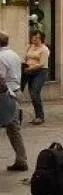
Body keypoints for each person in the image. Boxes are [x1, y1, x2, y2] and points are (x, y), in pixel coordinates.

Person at [0, 32, 27, 171]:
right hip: (15, 91)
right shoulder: (14, 54)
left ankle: (21, 160)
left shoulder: (1, 57)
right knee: (13, 129)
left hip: (5, 95)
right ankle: (21, 159)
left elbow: (1, 80)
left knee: (12, 128)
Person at [22, 30, 50, 124]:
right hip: (29, 71)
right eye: (33, 37)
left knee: (35, 92)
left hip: (40, 72)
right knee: (32, 93)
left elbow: (42, 64)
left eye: (37, 37)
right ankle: (38, 115)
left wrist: (30, 68)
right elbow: (26, 58)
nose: (34, 39)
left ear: (41, 38)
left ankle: (40, 117)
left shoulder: (44, 49)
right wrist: (25, 65)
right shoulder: (30, 46)